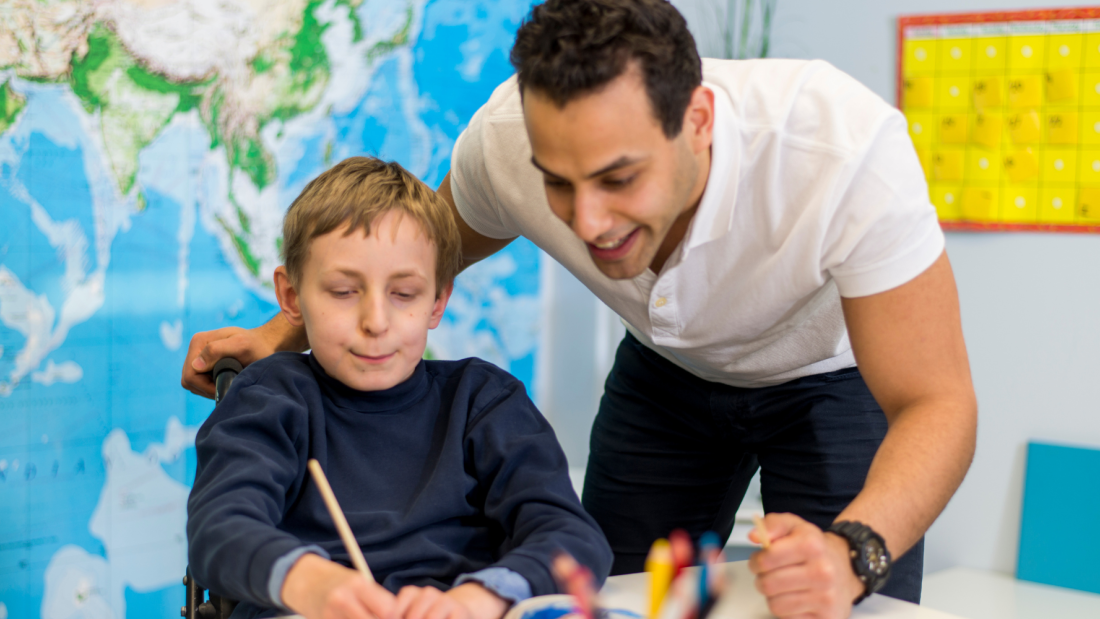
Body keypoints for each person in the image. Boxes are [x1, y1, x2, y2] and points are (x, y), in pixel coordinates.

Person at [183, 2, 978, 618]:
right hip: (664, 376)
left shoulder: (841, 151)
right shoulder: (504, 144)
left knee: (828, 596)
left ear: (696, 122)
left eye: (619, 178)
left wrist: (854, 550)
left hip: (828, 380)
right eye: (557, 183)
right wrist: (280, 334)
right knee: (604, 592)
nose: (588, 222)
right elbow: (402, 258)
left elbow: (938, 402)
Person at [186, 157, 612, 619]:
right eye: (343, 292)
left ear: (437, 301)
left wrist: (478, 599)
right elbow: (218, 527)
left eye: (404, 294)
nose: (376, 322)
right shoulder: (269, 398)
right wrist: (309, 582)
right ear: (291, 296)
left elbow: (572, 537)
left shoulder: (482, 401)